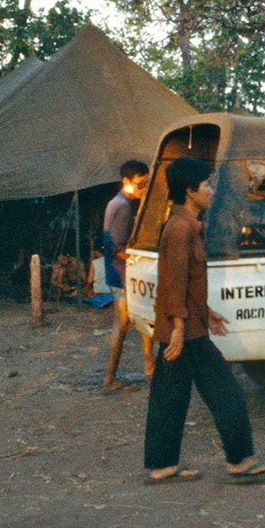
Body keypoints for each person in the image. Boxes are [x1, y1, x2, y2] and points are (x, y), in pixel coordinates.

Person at [143, 157, 265, 484]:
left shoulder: (188, 226)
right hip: (185, 335)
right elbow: (173, 282)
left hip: (190, 329)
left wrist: (207, 313)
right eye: (206, 185)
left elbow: (188, 282)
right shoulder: (180, 228)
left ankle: (163, 465)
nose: (212, 191)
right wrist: (179, 329)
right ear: (189, 191)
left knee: (170, 399)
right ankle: (239, 460)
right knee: (226, 394)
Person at [103, 160, 155, 393]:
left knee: (140, 317)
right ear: (127, 181)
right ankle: (110, 379)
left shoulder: (117, 202)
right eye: (141, 184)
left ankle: (149, 365)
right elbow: (115, 247)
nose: (143, 188)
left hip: (116, 272)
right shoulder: (123, 207)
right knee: (121, 325)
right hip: (120, 273)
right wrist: (137, 260)